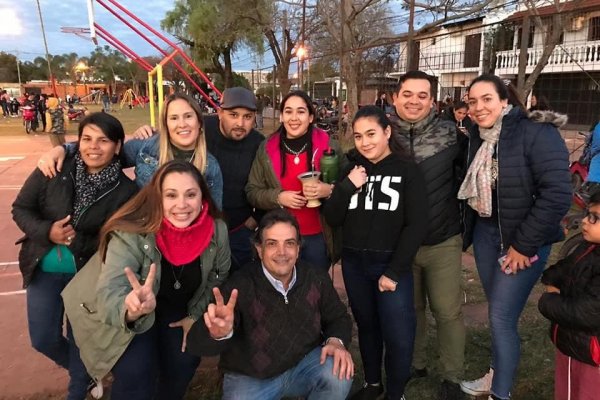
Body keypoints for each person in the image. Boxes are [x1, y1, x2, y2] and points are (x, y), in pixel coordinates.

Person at [62, 160, 231, 400]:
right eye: (171, 195)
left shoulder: (217, 230)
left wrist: (195, 315)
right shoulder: (130, 233)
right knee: (136, 374)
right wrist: (130, 307)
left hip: (177, 309)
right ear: (157, 199)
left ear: (202, 197)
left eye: (190, 194)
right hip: (132, 312)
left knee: (183, 363)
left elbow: (219, 275)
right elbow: (110, 292)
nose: (181, 205)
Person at [458, 74, 571, 400]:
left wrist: (523, 245)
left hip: (523, 242)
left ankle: (500, 393)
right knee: (497, 311)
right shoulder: (481, 137)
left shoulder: (535, 132)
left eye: (486, 99)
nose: (479, 107)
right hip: (486, 233)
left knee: (502, 316)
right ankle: (496, 373)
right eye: (472, 101)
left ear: (505, 101)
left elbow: (558, 194)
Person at [12, 112, 138, 400]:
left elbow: (119, 238)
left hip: (88, 274)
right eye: (87, 139)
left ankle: (79, 387)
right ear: (77, 142)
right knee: (43, 338)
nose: (94, 147)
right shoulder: (54, 168)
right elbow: (20, 208)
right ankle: (87, 372)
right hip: (43, 267)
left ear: (118, 146)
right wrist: (47, 231)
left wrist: (78, 240)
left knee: (81, 340)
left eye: (103, 140)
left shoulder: (126, 191)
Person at [186, 209, 353, 400]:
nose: (282, 252)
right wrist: (218, 334)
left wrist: (335, 341)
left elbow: (338, 317)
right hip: (252, 378)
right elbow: (196, 343)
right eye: (272, 244)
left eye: (289, 243)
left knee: (339, 371)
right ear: (259, 249)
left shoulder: (315, 277)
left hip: (304, 365)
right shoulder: (239, 285)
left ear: (298, 248)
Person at [323, 106, 428, 400]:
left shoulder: (408, 170)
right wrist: (346, 187)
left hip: (390, 265)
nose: (365, 142)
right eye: (358, 136)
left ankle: (396, 392)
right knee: (367, 327)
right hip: (355, 264)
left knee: (397, 334)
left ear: (387, 132)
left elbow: (417, 224)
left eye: (371, 134)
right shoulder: (351, 168)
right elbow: (332, 217)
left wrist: (394, 271)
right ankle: (372, 384)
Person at [390, 70, 466, 400]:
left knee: (447, 311)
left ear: (432, 101)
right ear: (395, 98)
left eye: (422, 95)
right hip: (399, 244)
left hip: (442, 239)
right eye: (408, 94)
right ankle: (414, 363)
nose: (414, 101)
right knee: (411, 310)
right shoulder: (382, 134)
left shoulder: (452, 134)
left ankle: (452, 376)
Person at [132, 87, 265, 272]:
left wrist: (255, 219)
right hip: (184, 223)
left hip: (237, 227)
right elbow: (175, 131)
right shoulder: (200, 128)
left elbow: (267, 182)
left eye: (248, 117)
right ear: (220, 113)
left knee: (231, 280)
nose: (240, 123)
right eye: (233, 115)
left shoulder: (258, 143)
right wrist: (146, 132)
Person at [36, 92, 223, 207]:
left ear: (199, 122)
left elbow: (214, 216)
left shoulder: (210, 165)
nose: (182, 124)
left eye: (188, 116)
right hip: (146, 236)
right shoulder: (147, 146)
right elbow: (102, 152)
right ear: (165, 124)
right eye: (174, 118)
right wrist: (64, 149)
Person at [246, 90, 339, 272]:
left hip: (318, 238)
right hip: (279, 239)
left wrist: (328, 190)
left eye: (301, 111)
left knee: (314, 291)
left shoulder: (329, 145)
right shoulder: (266, 148)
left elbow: (347, 185)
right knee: (280, 291)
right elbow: (252, 191)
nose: (294, 118)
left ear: (311, 117)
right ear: (281, 116)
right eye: (288, 111)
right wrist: (278, 197)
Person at [538, 191, 600, 400]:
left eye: (595, 218)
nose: (585, 221)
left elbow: (587, 313)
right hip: (574, 344)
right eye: (586, 214)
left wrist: (548, 301)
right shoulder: (588, 247)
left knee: (585, 392)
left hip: (590, 352)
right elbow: (566, 267)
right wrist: (551, 278)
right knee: (567, 389)